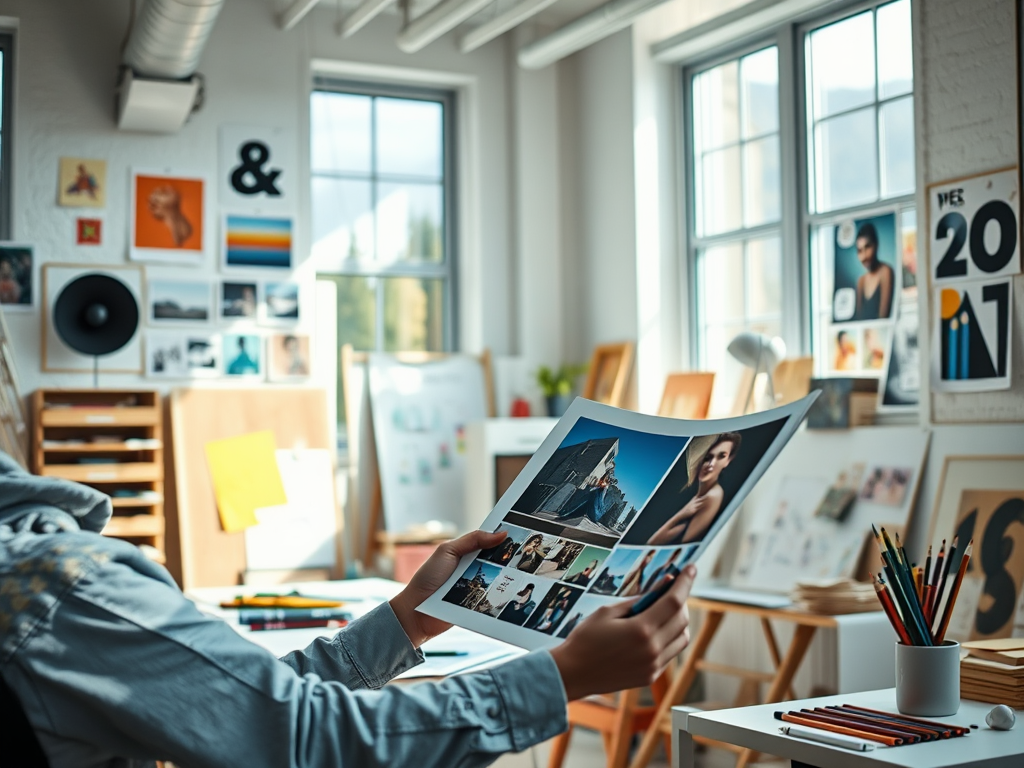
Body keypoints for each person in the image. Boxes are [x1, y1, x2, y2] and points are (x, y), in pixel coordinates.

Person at [0, 451, 697, 768]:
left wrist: (407, 620)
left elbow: (244, 712)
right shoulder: (58, 585)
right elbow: (305, 741)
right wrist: (559, 677)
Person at [648, 432, 742, 546]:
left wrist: (681, 514)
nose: (711, 464)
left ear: (728, 460)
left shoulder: (712, 496)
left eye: (721, 456)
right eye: (707, 457)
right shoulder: (697, 495)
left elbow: (652, 543)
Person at [852, 222, 894, 321]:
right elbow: (858, 317)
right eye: (860, 250)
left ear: (876, 245)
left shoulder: (885, 271)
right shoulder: (861, 281)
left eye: (867, 247)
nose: (864, 255)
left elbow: (884, 316)